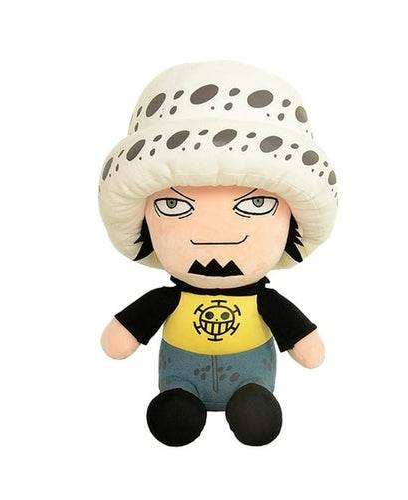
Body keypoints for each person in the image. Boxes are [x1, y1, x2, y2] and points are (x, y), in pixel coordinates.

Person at [98, 61, 338, 446]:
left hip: (251, 381)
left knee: (255, 417)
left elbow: (304, 343)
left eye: (256, 204)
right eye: (174, 206)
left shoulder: (263, 301)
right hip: (180, 381)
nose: (215, 238)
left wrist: (302, 339)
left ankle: (250, 401)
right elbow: (121, 337)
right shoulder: (169, 299)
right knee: (174, 417)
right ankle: (180, 403)